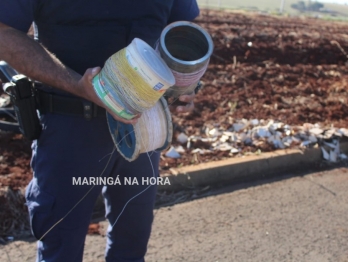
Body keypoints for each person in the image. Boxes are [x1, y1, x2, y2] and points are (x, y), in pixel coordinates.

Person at [0, 1, 200, 261]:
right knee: (61, 249)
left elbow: (184, 30)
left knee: (132, 244)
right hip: (70, 128)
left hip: (143, 127)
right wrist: (77, 84)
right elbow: (4, 33)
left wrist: (187, 79)